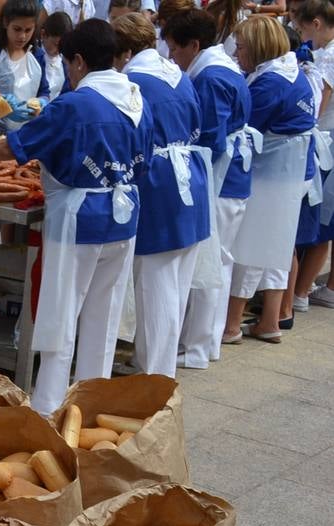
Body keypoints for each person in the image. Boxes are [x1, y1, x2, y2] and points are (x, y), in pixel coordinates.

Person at [0, 19, 153, 414]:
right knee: (103, 316)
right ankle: (92, 406)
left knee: (61, 315)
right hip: (123, 215)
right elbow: (143, 162)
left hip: (81, 219)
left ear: (78, 61)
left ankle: (46, 407)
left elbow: (15, 147)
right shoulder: (135, 97)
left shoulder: (76, 104)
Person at [112, 13, 210, 378]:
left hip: (161, 182)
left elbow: (129, 135)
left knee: (155, 286)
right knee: (176, 282)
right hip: (190, 177)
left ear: (123, 50)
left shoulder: (133, 81)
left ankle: (156, 374)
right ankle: (155, 365)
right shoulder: (179, 75)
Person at [166, 8, 255, 368]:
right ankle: (205, 342)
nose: (171, 57)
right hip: (233, 175)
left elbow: (211, 137)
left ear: (195, 45)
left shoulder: (211, 77)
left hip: (222, 177)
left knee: (210, 262)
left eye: (174, 49)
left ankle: (199, 346)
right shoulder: (221, 68)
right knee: (219, 261)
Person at [223, 15, 316, 344]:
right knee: (277, 248)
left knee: (250, 250)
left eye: (242, 48)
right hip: (293, 174)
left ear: (260, 48)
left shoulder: (270, 82)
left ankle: (231, 325)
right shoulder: (292, 73)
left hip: (273, 176)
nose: (237, 55)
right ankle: (270, 321)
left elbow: (243, 128)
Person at [292, 0, 334, 308]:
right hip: (325, 138)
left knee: (320, 219)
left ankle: (301, 291)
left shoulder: (329, 55)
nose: (302, 35)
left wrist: (308, 126)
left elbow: (323, 95)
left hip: (325, 139)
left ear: (316, 24)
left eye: (302, 28)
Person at [0, 0, 50, 131]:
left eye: (28, 30)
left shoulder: (37, 55)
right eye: (17, 29)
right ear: (5, 23)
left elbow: (44, 91)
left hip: (27, 131)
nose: (22, 36)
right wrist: (1, 106)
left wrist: (41, 102)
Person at [41, 10, 72, 98]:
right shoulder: (35, 57)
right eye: (56, 44)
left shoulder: (64, 61)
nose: (59, 50)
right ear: (43, 35)